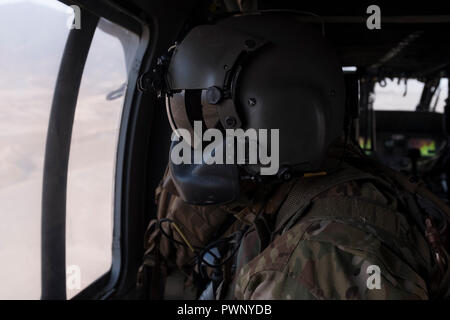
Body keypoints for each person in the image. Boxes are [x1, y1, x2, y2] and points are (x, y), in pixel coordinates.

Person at [137, 12, 450, 300]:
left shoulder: (306, 267)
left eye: (202, 118)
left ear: (270, 114)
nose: (190, 142)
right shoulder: (331, 176)